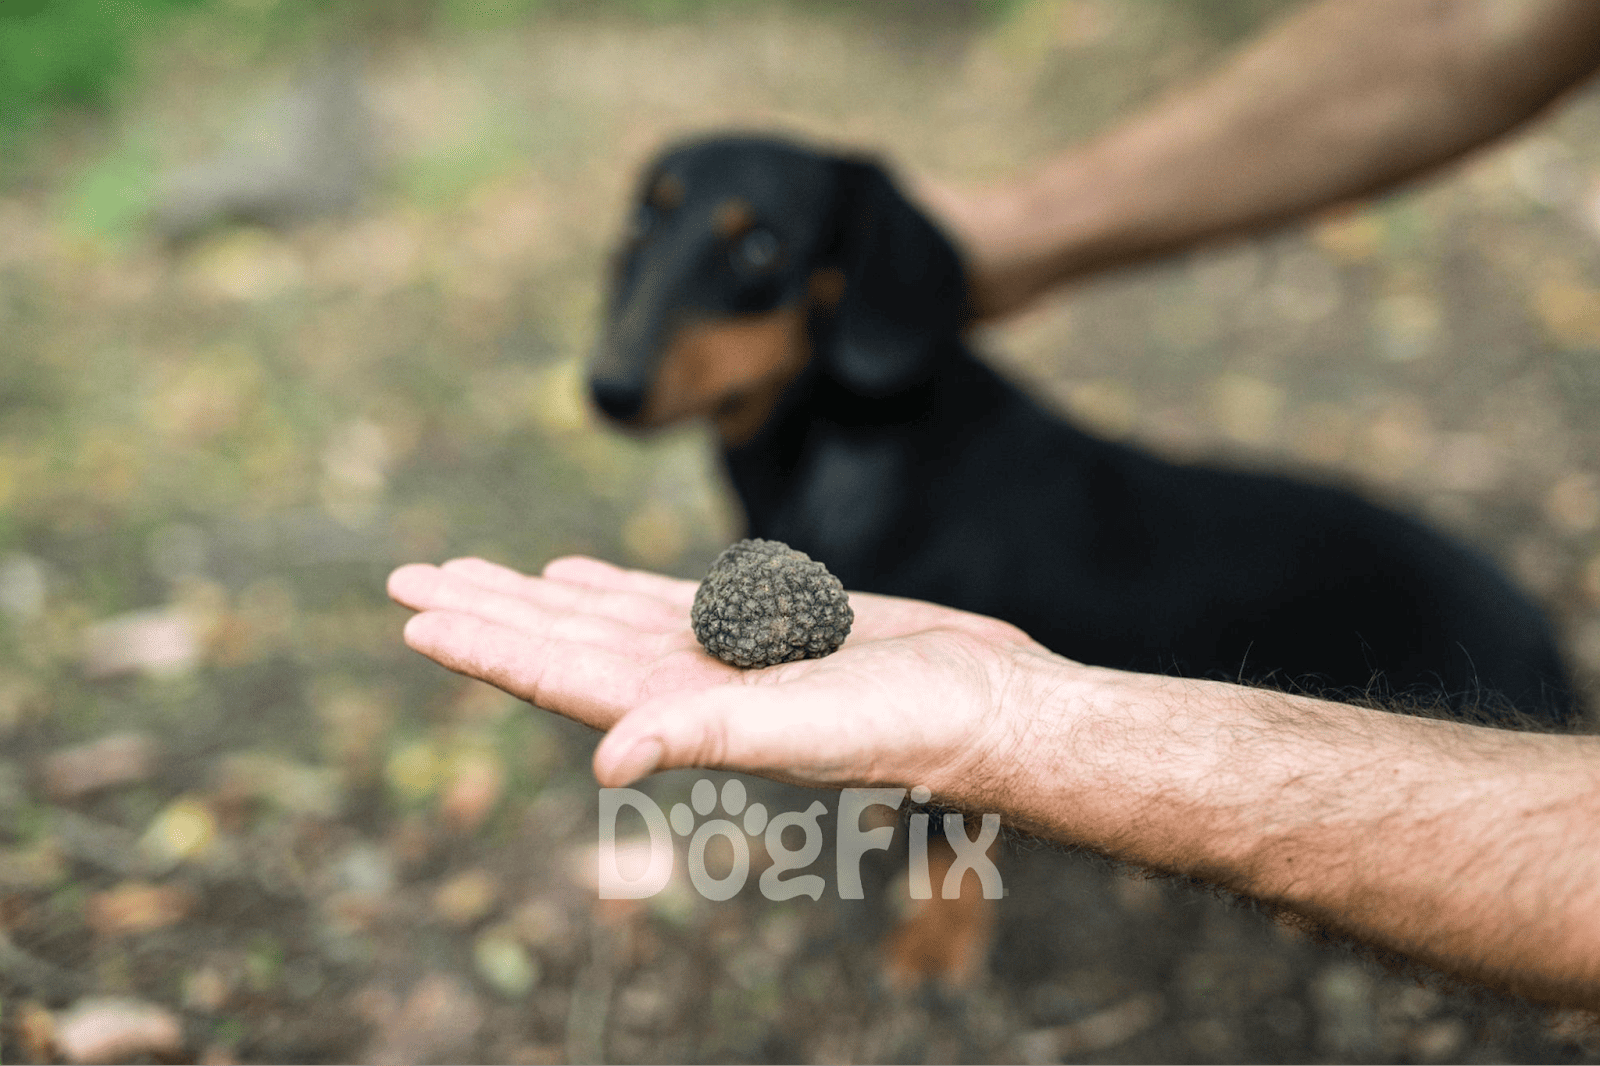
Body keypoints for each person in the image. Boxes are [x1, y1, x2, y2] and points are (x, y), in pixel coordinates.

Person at [389, 0, 1600, 1009]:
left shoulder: (919, 497)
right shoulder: (848, 459)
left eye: (752, 260)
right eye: (655, 237)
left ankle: (947, 904)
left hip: (1456, 642)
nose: (651, 331)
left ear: (842, 280)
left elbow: (947, 748)